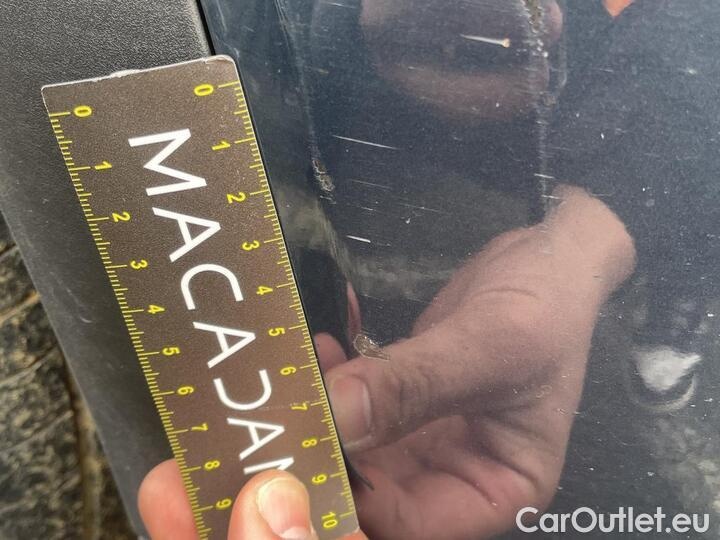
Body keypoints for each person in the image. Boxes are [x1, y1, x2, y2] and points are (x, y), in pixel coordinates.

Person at [140, 0, 720, 537]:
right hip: (355, 78)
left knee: (666, 202)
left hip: (591, 82)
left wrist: (584, 238)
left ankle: (676, 289)